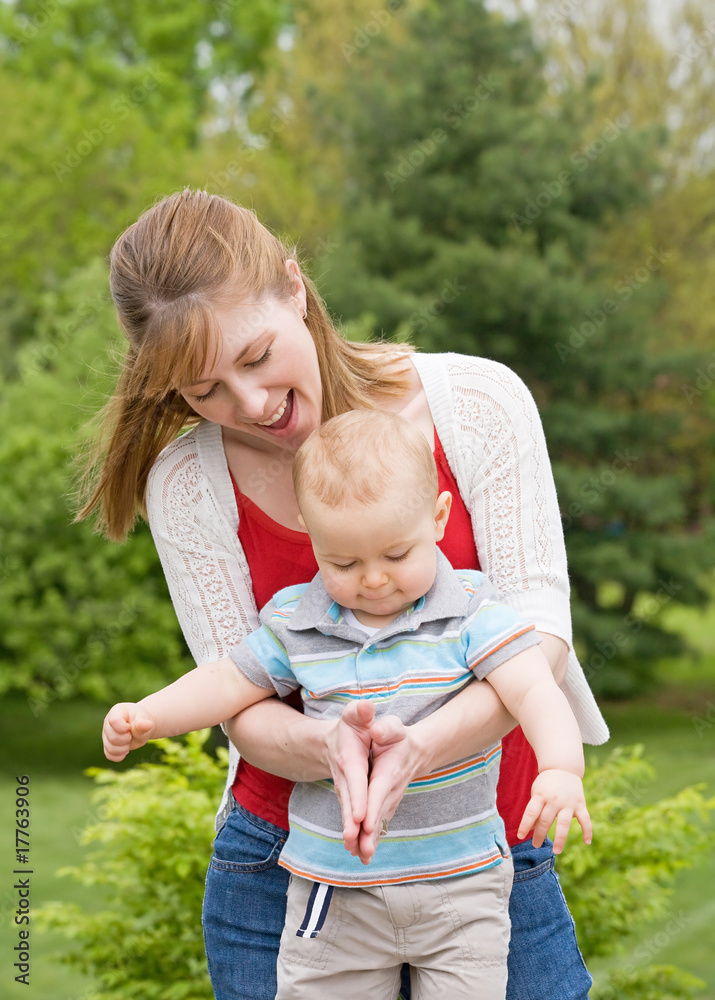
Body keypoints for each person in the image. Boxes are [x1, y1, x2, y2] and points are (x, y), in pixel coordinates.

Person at [78, 188, 609, 1000]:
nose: (250, 405)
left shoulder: (476, 406)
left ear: (295, 287)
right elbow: (240, 699)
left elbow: (540, 639)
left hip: (488, 855)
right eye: (202, 390)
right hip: (291, 872)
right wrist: (326, 746)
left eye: (257, 357)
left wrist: (420, 747)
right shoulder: (188, 486)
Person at [102, 409, 592, 1000]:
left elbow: (534, 688)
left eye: (396, 555)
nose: (374, 579)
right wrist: (150, 715)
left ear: (438, 518)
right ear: (311, 536)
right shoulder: (297, 622)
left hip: (462, 888)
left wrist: (561, 767)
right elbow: (227, 681)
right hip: (335, 889)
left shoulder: (471, 612)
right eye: (344, 563)